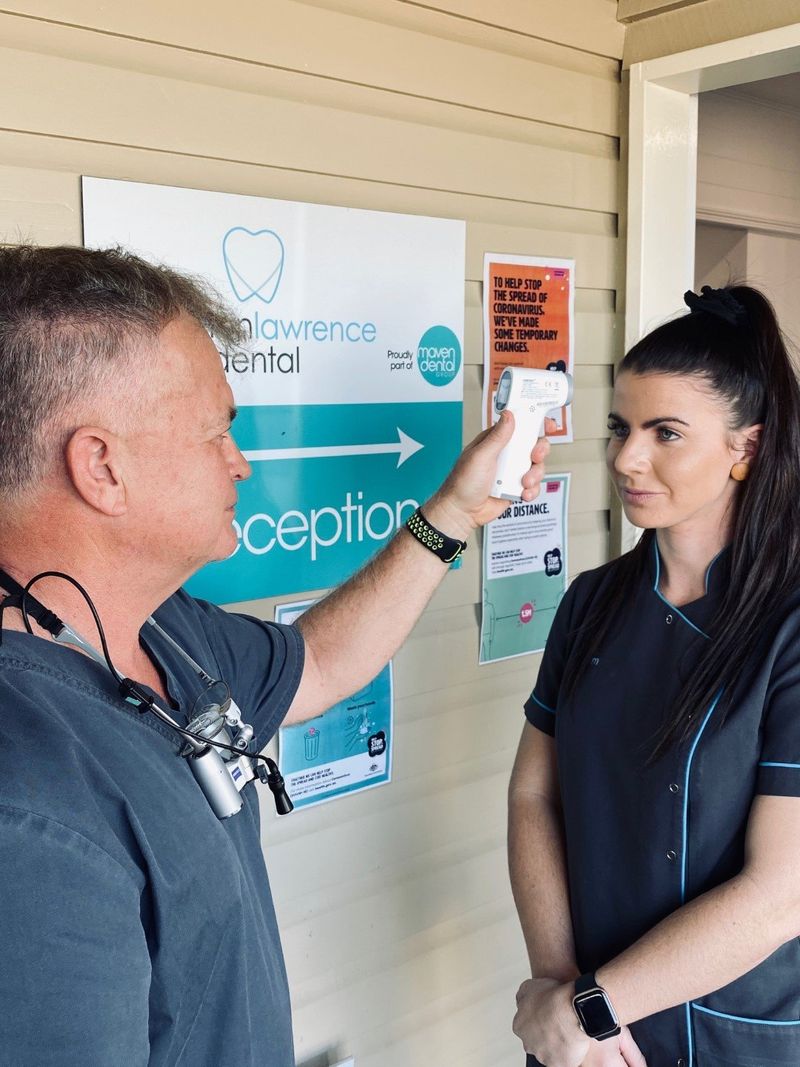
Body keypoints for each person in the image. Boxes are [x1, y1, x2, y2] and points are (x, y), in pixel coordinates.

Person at [0, 244, 548, 1066]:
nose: (241, 461)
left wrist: (455, 512)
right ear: (102, 467)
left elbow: (317, 663)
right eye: (216, 432)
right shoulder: (28, 815)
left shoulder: (156, 625)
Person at [509, 285, 800, 1067]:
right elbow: (534, 795)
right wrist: (563, 998)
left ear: (746, 447)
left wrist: (592, 1008)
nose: (625, 458)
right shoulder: (591, 603)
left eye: (665, 432)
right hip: (585, 1038)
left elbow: (782, 894)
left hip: (731, 1035)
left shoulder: (788, 627)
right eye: (620, 427)